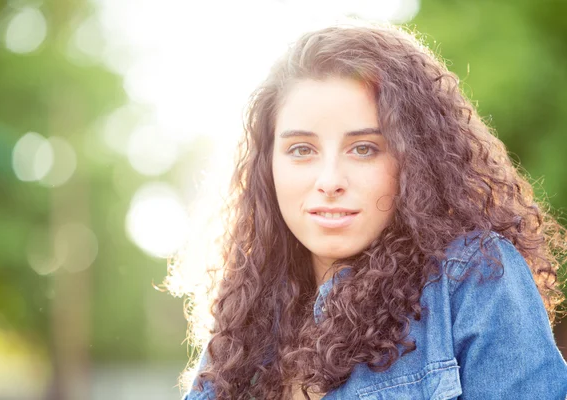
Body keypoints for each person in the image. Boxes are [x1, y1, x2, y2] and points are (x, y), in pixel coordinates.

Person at [169, 23, 567, 399]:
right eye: (301, 150)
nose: (329, 180)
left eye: (363, 149)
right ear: (266, 168)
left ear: (414, 162)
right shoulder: (244, 324)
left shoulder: (472, 279)